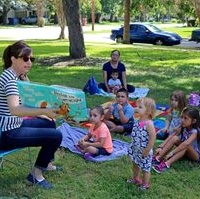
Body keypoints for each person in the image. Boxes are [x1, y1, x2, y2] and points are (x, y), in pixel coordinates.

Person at [0, 40, 63, 189]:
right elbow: (15, 109)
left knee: (49, 123)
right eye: (25, 58)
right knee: (56, 136)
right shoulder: (10, 80)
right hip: (7, 133)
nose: (29, 62)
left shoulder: (15, 76)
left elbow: (26, 103)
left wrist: (44, 115)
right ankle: (35, 175)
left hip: (14, 124)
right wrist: (43, 111)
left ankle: (46, 163)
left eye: (31, 59)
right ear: (13, 59)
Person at [152, 107, 200, 173]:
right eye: (182, 117)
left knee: (185, 145)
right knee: (175, 138)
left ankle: (166, 164)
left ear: (194, 121)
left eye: (185, 118)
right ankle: (157, 158)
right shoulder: (183, 127)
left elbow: (186, 144)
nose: (182, 120)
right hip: (184, 151)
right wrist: (161, 146)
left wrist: (171, 153)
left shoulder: (195, 132)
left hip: (195, 155)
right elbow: (172, 136)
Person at [127, 97, 156, 190]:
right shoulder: (138, 120)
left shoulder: (149, 124)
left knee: (145, 168)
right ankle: (135, 178)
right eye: (137, 106)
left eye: (140, 107)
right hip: (136, 148)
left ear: (148, 111)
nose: (137, 109)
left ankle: (145, 184)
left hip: (144, 151)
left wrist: (147, 150)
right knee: (135, 164)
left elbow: (152, 138)